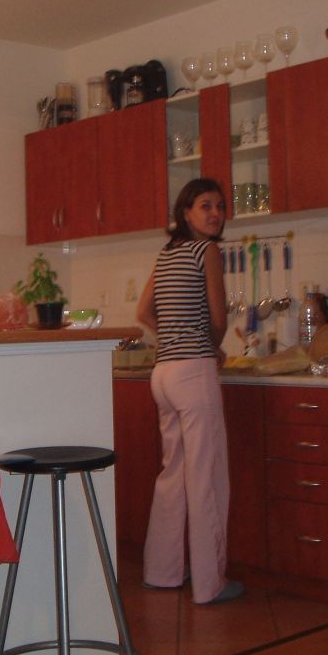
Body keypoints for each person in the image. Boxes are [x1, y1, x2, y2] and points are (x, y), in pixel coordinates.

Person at [136, 177, 243, 606]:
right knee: (206, 478)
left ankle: (161, 572)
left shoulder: (167, 254)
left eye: (220, 206)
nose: (215, 214)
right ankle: (210, 584)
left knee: (173, 474)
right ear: (186, 213)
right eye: (205, 206)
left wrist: (174, 337)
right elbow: (218, 318)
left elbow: (144, 311)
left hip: (163, 374)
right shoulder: (206, 251)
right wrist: (210, 346)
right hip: (193, 373)